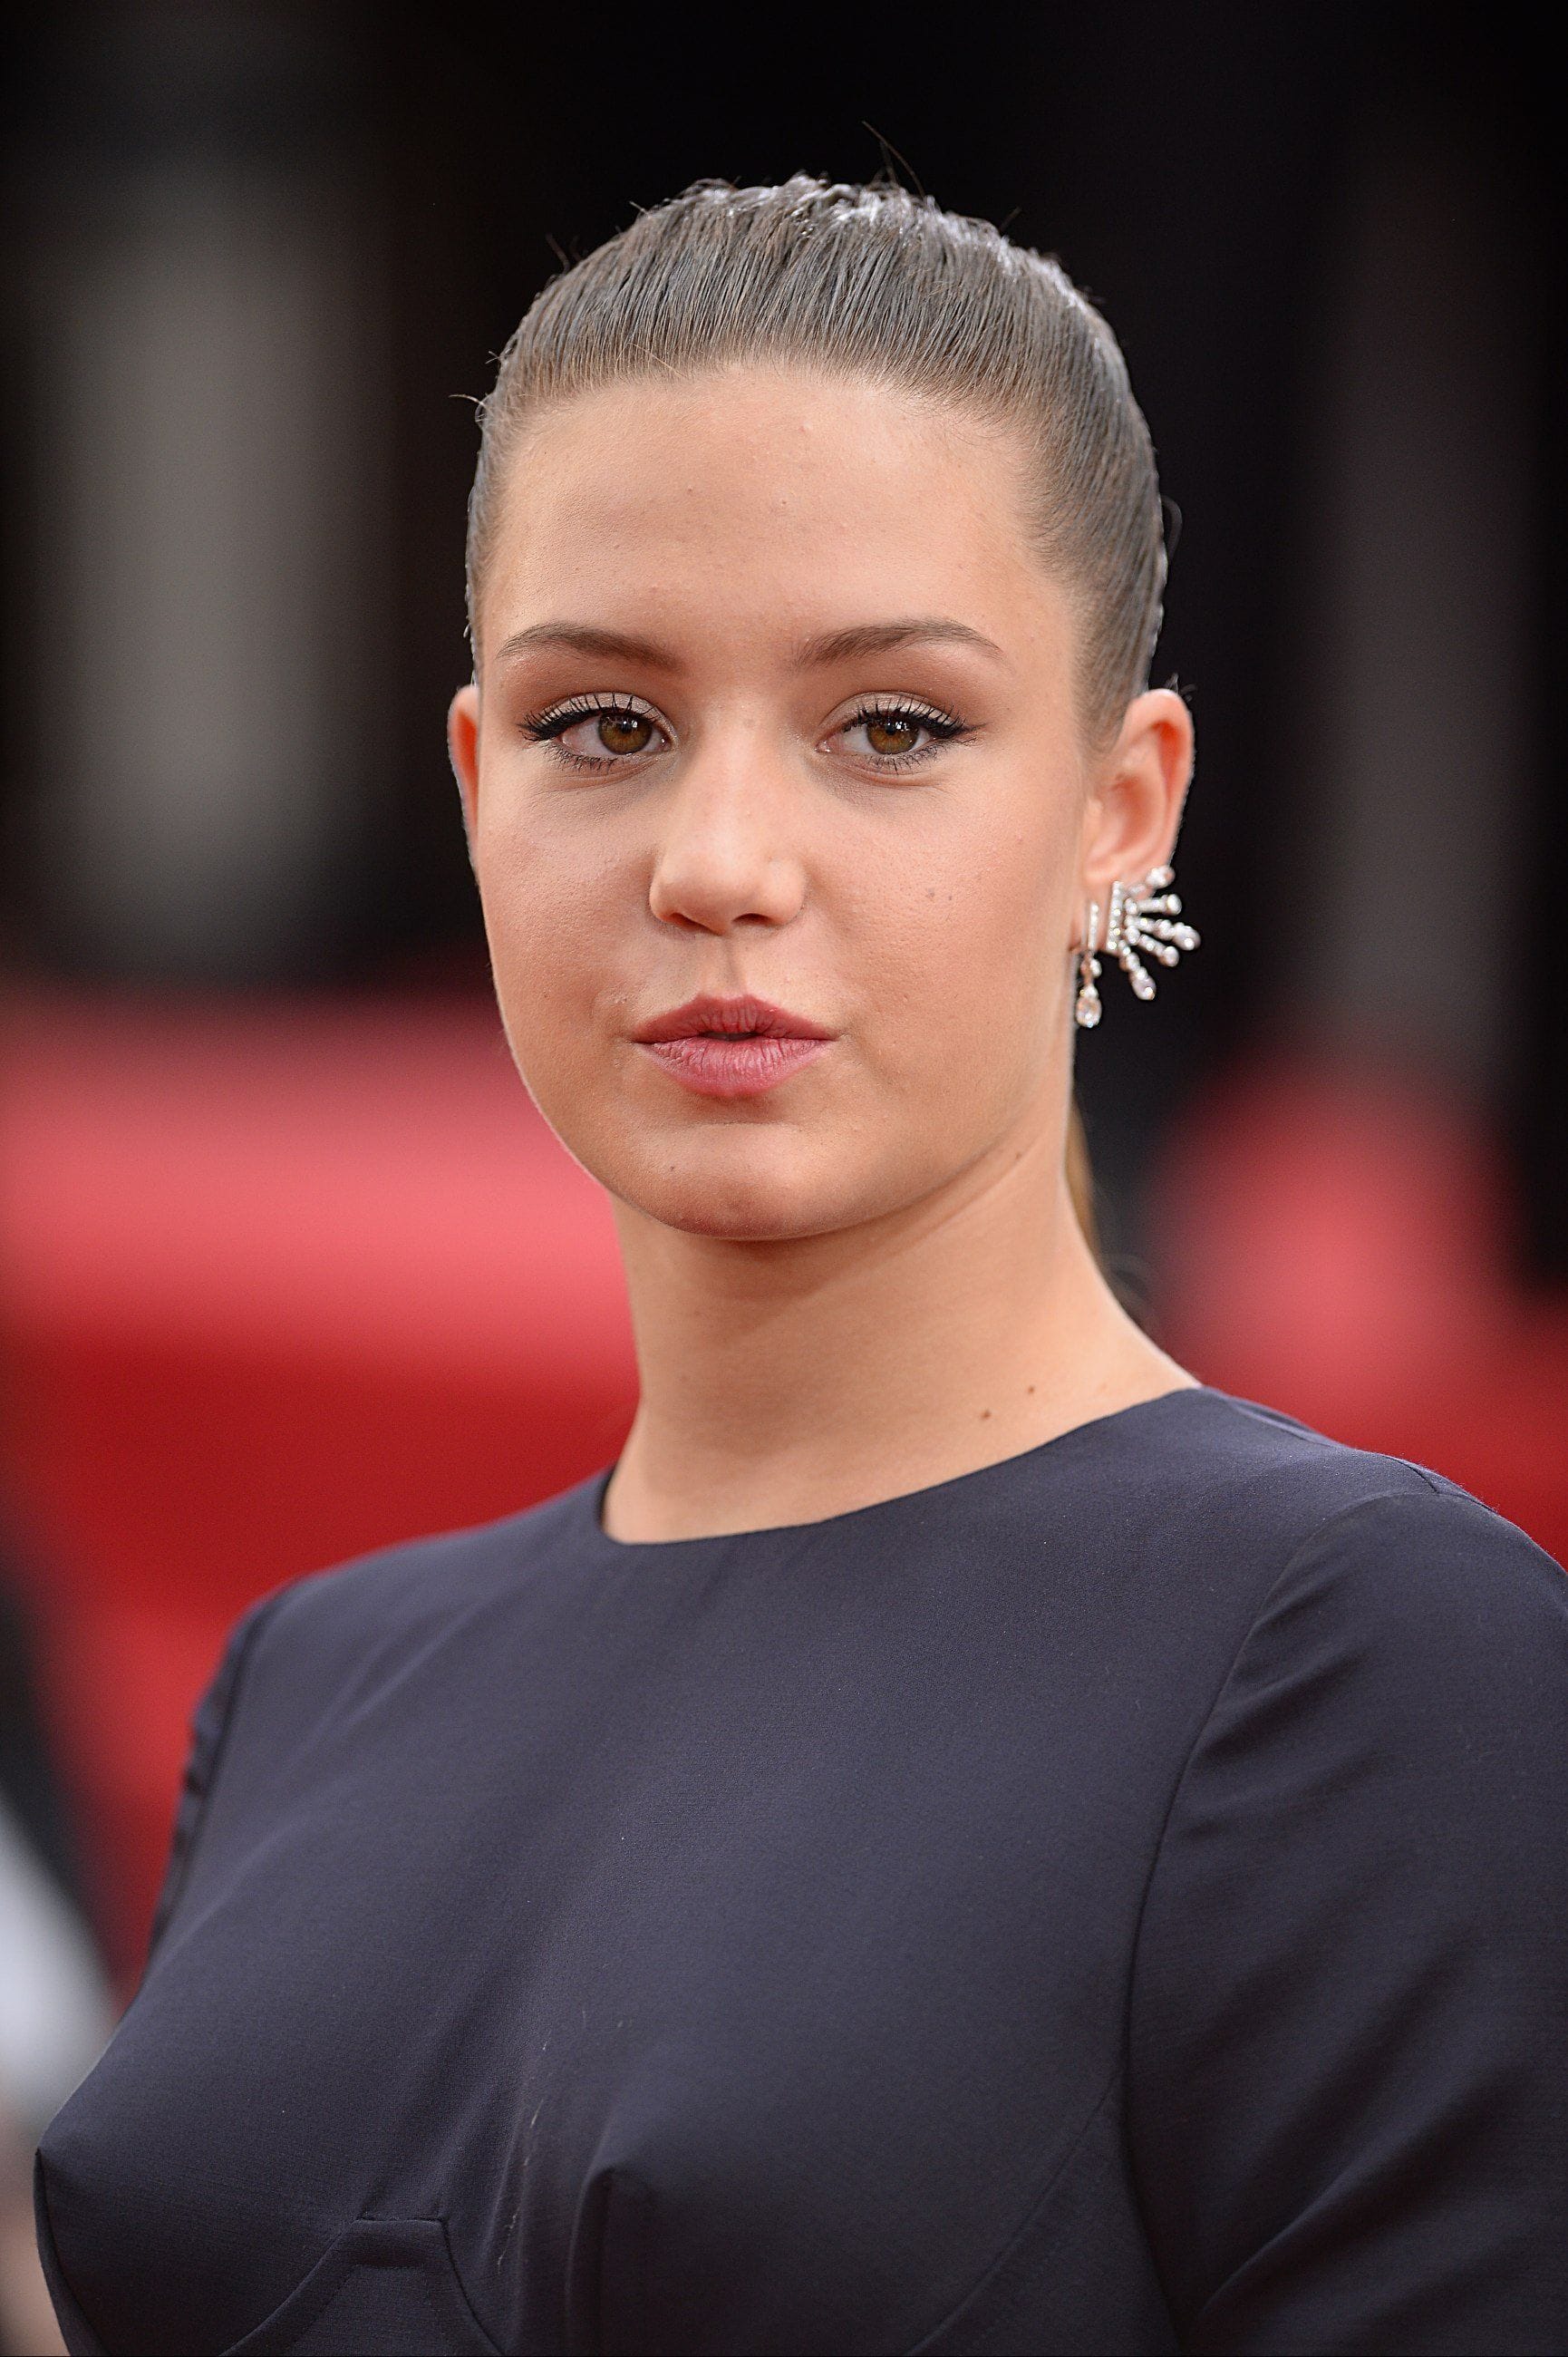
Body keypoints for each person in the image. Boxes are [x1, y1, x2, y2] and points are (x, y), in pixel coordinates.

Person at [34, 178, 1568, 2356]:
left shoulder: (1364, 1660)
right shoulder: (315, 1679)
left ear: (1121, 808)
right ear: (472, 784)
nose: (717, 862)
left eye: (890, 727)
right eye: (601, 724)